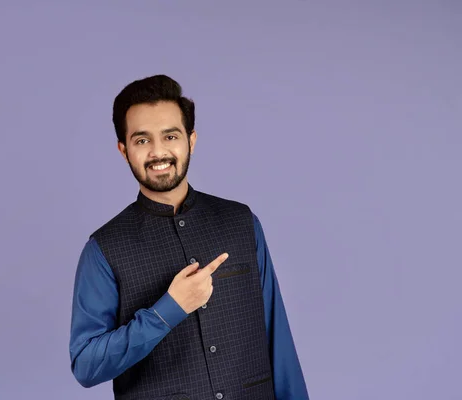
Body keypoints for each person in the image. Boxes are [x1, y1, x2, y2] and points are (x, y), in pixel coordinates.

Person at [69, 74, 308, 400]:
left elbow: (277, 340)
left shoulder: (240, 222)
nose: (158, 152)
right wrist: (168, 310)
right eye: (142, 140)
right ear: (123, 150)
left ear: (190, 141)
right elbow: (86, 365)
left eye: (170, 136)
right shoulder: (103, 250)